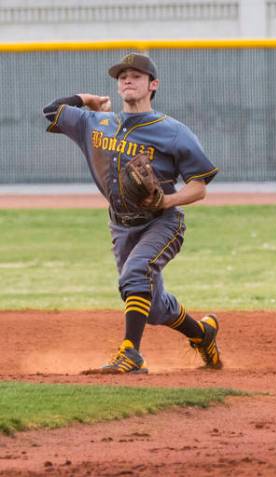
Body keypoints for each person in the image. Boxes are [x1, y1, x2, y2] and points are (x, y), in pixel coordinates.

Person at [42, 52, 222, 374]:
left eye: (136, 76)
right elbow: (52, 111)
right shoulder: (95, 123)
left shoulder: (173, 131)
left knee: (135, 275)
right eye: (122, 76)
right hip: (121, 227)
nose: (127, 79)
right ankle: (202, 334)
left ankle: (130, 355)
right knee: (153, 308)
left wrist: (166, 202)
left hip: (162, 222)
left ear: (153, 85)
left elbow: (200, 186)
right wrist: (87, 100)